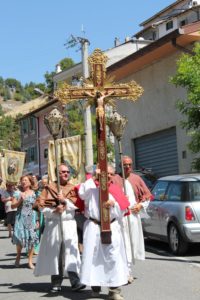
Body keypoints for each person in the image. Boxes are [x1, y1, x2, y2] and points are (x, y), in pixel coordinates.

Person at [78, 165, 130, 300]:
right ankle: (95, 287)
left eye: (111, 174)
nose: (108, 177)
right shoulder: (90, 186)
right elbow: (82, 194)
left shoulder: (115, 189)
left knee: (113, 258)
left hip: (111, 226)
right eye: (106, 174)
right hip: (94, 226)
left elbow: (123, 211)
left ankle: (114, 291)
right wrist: (94, 177)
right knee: (94, 258)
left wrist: (114, 204)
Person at [33, 164, 85, 293]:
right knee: (56, 254)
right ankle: (56, 282)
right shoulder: (49, 188)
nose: (66, 173)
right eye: (63, 172)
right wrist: (55, 210)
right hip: (54, 223)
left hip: (68, 223)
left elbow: (77, 205)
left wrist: (65, 201)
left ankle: (75, 281)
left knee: (71, 251)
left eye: (67, 171)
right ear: (57, 174)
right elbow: (42, 207)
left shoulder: (73, 188)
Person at [112, 156, 152, 282]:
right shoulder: (114, 179)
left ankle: (128, 270)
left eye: (129, 164)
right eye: (125, 165)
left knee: (132, 242)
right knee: (123, 243)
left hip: (133, 216)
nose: (127, 167)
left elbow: (147, 196)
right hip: (120, 217)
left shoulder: (137, 178)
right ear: (120, 166)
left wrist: (140, 205)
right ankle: (125, 271)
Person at [11, 175, 39, 269]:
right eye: (22, 180)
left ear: (30, 182)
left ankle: (30, 261)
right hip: (20, 218)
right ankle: (18, 256)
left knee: (31, 239)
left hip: (31, 218)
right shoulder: (17, 193)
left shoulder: (34, 193)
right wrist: (20, 201)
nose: (24, 182)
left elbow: (36, 207)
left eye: (26, 180)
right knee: (19, 238)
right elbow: (12, 206)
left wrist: (37, 220)